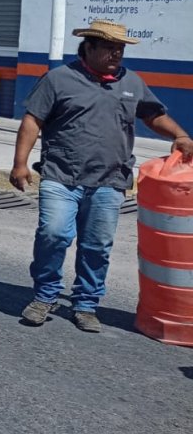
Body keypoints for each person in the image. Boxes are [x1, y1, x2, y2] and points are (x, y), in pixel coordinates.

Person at [10, 19, 193, 332]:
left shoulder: (131, 82)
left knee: (97, 246)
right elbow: (32, 121)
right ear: (89, 47)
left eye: (120, 48)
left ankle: (85, 304)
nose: (116, 53)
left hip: (110, 180)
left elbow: (154, 114)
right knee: (53, 235)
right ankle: (45, 295)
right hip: (61, 176)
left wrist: (180, 135)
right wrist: (20, 164)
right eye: (109, 47)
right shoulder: (59, 79)